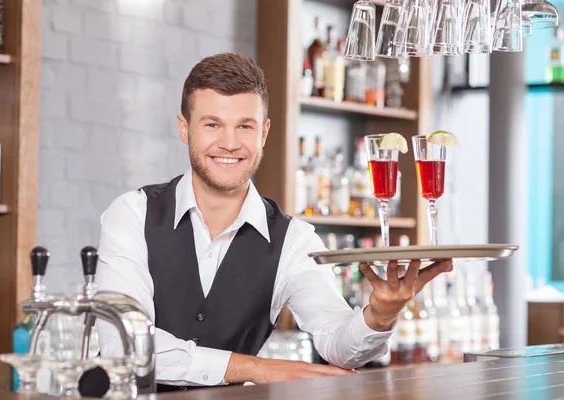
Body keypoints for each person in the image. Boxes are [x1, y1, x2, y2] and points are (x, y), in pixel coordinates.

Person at [80, 52, 452, 395]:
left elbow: (339, 344)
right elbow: (125, 345)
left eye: (245, 126)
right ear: (184, 128)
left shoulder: (294, 239)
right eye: (212, 124)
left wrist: (380, 315)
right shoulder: (132, 214)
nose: (229, 143)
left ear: (265, 133)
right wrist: (257, 369)